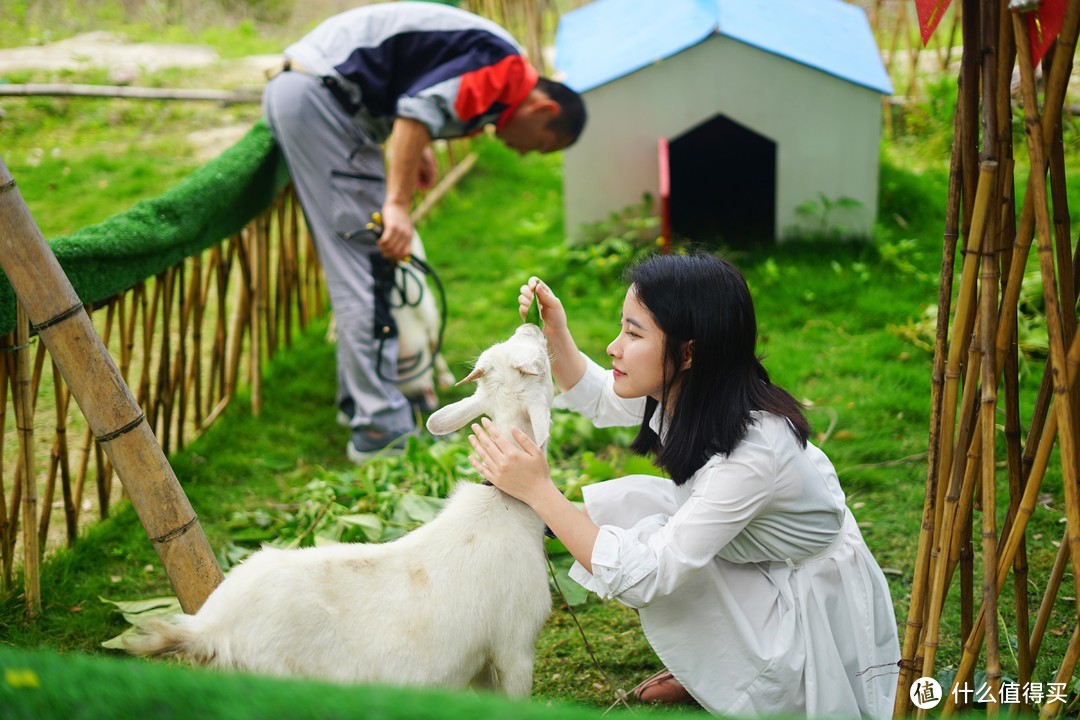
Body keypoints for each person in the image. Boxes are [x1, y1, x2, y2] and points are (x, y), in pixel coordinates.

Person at [466, 253, 900, 717]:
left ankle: (742, 667)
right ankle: (710, 662)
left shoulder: (752, 452)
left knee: (651, 554)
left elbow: (648, 576)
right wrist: (557, 333)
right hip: (757, 554)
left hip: (805, 599)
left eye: (634, 334)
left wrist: (540, 493)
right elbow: (600, 396)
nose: (614, 347)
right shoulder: (690, 392)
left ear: (689, 353)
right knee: (635, 504)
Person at [262, 2, 586, 463]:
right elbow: (416, 111)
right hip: (323, 98)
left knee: (365, 271)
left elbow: (420, 91)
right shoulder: (505, 71)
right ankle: (380, 433)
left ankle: (362, 405)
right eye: (541, 144)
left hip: (321, 92)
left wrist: (421, 148)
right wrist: (395, 205)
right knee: (368, 273)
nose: (526, 154)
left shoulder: (501, 66)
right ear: (544, 108)